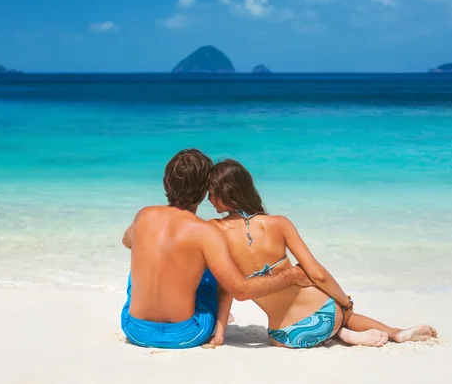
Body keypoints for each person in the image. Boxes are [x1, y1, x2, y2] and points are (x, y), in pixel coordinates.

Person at [206, 159, 437, 349]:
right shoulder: (279, 223)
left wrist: (220, 335)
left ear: (226, 194)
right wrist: (345, 304)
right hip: (326, 315)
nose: (209, 199)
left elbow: (226, 289)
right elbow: (318, 274)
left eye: (212, 192)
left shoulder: (215, 231)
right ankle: (393, 333)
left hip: (287, 336)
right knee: (341, 310)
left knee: (275, 333)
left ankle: (341, 335)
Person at [120, 149, 313, 349]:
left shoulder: (144, 215)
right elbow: (240, 290)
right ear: (204, 192)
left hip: (135, 330)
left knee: (142, 266)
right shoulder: (205, 232)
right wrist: (292, 275)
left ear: (164, 183)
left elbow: (127, 242)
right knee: (210, 271)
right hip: (186, 334)